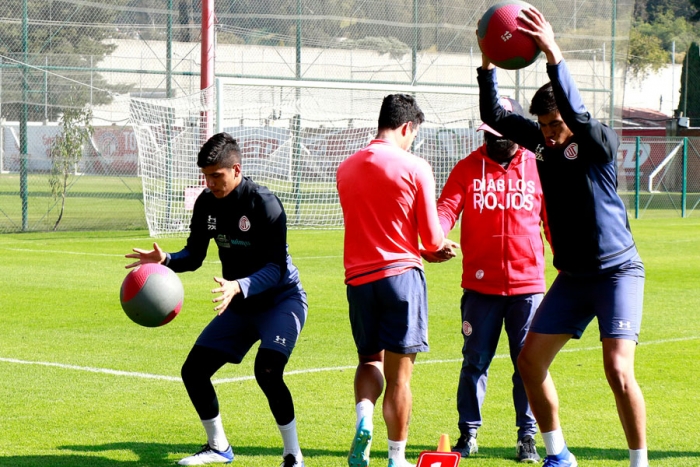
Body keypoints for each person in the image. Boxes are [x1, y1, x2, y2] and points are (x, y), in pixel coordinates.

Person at [477, 7, 648, 467]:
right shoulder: (541, 145)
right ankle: (558, 454)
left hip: (617, 273)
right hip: (572, 278)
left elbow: (577, 114)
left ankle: (639, 461)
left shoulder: (597, 142)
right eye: (545, 126)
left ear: (571, 119)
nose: (550, 135)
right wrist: (488, 61)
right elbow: (493, 113)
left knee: (617, 369)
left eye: (556, 126)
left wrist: (553, 54)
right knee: (529, 362)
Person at [125, 132, 308, 467]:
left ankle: (293, 455)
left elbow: (277, 269)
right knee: (193, 371)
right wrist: (166, 260)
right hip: (238, 303)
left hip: (281, 301)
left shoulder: (264, 203)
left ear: (236, 170)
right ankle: (219, 446)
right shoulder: (206, 204)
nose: (210, 183)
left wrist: (239, 285)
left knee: (267, 370)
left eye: (217, 176)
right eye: (206, 176)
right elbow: (194, 256)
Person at [423, 97, 548, 463]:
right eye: (489, 134)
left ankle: (527, 437)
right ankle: (468, 434)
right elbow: (446, 209)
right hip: (480, 289)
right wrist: (435, 240)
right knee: (474, 362)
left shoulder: (539, 168)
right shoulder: (467, 168)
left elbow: (551, 219)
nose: (494, 140)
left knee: (527, 365)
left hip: (527, 287)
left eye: (501, 133)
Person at [336, 94, 458, 467]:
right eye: (413, 135)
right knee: (400, 377)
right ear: (407, 127)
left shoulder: (346, 168)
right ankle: (396, 457)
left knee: (368, 361)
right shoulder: (415, 166)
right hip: (401, 277)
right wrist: (440, 249)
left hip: (358, 280)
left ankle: (364, 418)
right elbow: (432, 239)